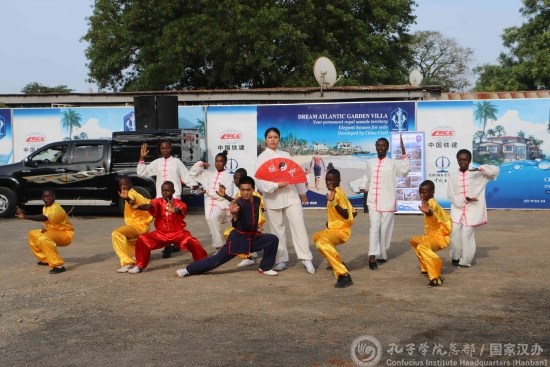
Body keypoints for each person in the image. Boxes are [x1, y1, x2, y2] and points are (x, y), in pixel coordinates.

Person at [176, 176, 279, 277]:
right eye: (243, 190)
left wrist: (256, 227)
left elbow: (250, 210)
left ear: (253, 189)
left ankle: (265, 268)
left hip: (252, 238)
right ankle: (187, 270)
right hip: (238, 240)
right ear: (239, 189)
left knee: (272, 239)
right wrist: (234, 213)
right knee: (215, 261)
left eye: (248, 190)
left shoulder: (257, 199)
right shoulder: (238, 204)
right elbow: (236, 214)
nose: (245, 192)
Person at [254, 127, 315, 274]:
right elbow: (259, 181)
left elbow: (296, 174)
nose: (273, 139)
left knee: (298, 226)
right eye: (270, 137)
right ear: (265, 139)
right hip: (272, 198)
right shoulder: (261, 158)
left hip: (291, 196)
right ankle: (281, 259)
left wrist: (302, 193)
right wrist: (275, 185)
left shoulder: (286, 155)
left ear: (279, 139)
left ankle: (306, 258)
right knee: (277, 230)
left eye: (276, 137)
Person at [128, 181, 207, 273]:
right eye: (163, 190)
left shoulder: (179, 203)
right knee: (142, 239)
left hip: (178, 233)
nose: (165, 193)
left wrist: (174, 210)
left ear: (173, 191)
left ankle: (202, 264)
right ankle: (140, 265)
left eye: (168, 191)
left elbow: (179, 210)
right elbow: (148, 206)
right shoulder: (157, 201)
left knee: (193, 241)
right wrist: (138, 206)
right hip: (161, 234)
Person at [137, 139, 198, 258]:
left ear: (171, 148)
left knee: (174, 222)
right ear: (160, 150)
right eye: (163, 148)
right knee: (161, 222)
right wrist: (142, 158)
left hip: (174, 196)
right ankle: (168, 244)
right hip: (160, 197)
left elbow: (185, 175)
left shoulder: (177, 162)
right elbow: (142, 172)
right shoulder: (157, 162)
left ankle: (170, 245)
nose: (165, 150)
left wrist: (193, 184)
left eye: (167, 148)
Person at [358, 135, 410, 270]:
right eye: (378, 145)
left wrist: (404, 155)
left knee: (384, 229)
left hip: (387, 201)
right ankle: (372, 256)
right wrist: (363, 187)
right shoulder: (370, 162)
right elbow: (366, 177)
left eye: (383, 145)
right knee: (374, 228)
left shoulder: (393, 163)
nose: (380, 148)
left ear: (387, 148)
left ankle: (382, 254)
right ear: (375, 147)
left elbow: (404, 172)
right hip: (373, 201)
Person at [447, 149, 500, 267]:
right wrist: (465, 199)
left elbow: (496, 171)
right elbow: (451, 195)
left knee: (467, 234)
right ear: (457, 160)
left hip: (473, 210)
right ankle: (455, 256)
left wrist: (481, 168)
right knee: (454, 232)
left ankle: (465, 261)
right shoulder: (452, 176)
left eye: (465, 160)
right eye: (460, 160)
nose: (462, 162)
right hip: (457, 208)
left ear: (470, 160)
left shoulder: (479, 174)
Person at [313, 169, 357, 288]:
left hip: (341, 231)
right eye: (327, 180)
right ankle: (337, 262)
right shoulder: (338, 192)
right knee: (316, 237)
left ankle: (344, 275)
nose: (329, 182)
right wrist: (332, 221)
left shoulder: (337, 193)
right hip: (334, 229)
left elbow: (347, 215)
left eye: (332, 180)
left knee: (322, 243)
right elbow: (354, 212)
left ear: (338, 181)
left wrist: (334, 203)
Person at [15, 189, 74, 274]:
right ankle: (45, 259)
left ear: (54, 197)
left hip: (65, 235)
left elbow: (44, 218)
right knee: (33, 234)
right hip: (54, 232)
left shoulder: (56, 208)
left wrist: (25, 216)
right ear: (42, 198)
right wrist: (46, 229)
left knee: (43, 238)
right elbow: (49, 222)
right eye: (46, 196)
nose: (49, 198)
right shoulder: (46, 207)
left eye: (51, 196)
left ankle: (58, 265)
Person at [217, 167, 264, 267]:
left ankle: (247, 257)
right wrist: (225, 196)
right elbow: (237, 202)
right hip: (244, 226)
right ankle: (244, 253)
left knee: (230, 233)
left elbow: (258, 210)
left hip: (252, 228)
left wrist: (258, 225)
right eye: (234, 178)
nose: (235, 180)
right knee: (231, 233)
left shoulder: (254, 196)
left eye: (238, 178)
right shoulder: (241, 192)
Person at [189, 150, 234, 252]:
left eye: (221, 161)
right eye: (216, 161)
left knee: (213, 218)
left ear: (225, 162)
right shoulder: (208, 174)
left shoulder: (228, 177)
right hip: (209, 203)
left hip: (222, 204)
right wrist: (200, 164)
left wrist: (207, 191)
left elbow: (225, 195)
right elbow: (192, 174)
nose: (218, 163)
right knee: (212, 225)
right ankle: (221, 248)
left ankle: (220, 247)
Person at [410, 180, 452, 288]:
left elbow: (435, 214)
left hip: (439, 238)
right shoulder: (427, 202)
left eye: (425, 192)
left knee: (422, 246)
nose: (422, 195)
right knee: (414, 241)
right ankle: (426, 267)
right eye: (420, 192)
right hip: (430, 236)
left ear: (432, 192)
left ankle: (436, 278)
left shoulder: (432, 203)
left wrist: (429, 213)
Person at [112, 176, 153, 273]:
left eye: (126, 184)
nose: (124, 186)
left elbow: (131, 201)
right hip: (141, 226)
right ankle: (139, 256)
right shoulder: (133, 193)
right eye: (121, 184)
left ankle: (127, 263)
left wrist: (127, 199)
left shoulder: (132, 194)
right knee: (128, 239)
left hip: (139, 226)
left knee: (117, 234)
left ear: (131, 184)